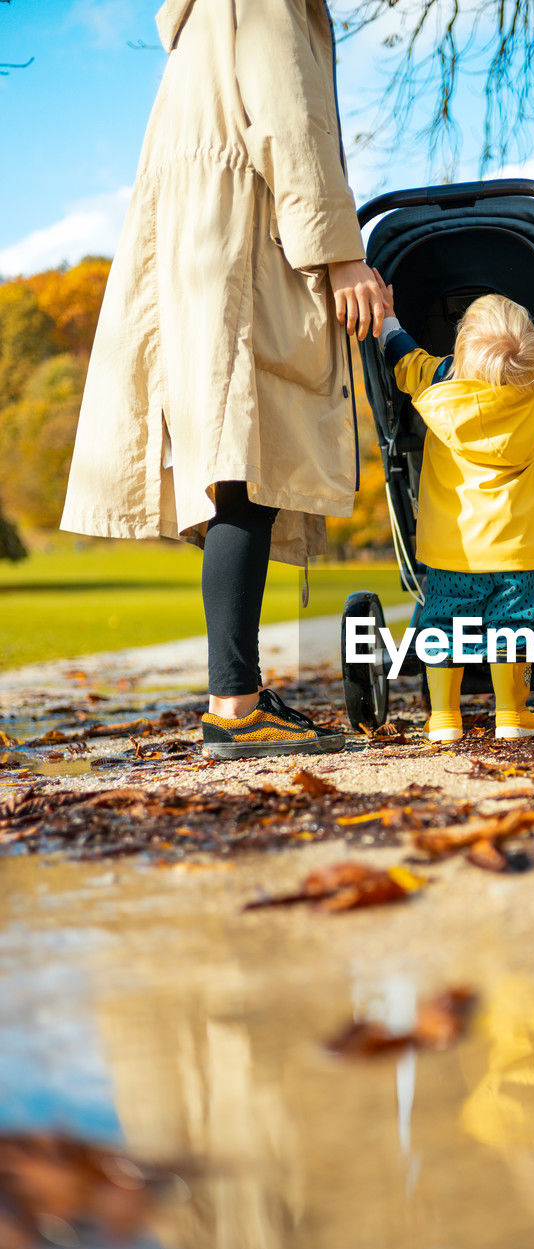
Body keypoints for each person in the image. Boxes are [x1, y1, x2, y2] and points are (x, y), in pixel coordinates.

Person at [60, 0, 385, 759]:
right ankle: (236, 706)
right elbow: (291, 124)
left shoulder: (196, 22)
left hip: (191, 251)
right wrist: (341, 251)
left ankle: (234, 695)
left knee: (233, 467)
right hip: (244, 242)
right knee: (248, 463)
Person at [374, 271, 534, 741]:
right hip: (522, 549)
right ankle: (512, 715)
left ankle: (444, 718)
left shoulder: (436, 386)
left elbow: (401, 352)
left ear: (461, 351)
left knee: (444, 626)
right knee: (514, 626)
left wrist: (388, 315)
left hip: (454, 549)